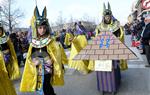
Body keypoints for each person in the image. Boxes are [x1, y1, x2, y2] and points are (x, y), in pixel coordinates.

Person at [20, 6, 68, 95]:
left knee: (45, 84)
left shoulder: (51, 40)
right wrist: (34, 60)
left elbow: (56, 53)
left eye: (44, 28)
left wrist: (52, 60)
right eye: (40, 28)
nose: (42, 30)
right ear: (36, 28)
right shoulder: (33, 41)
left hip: (48, 66)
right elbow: (32, 53)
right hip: (38, 67)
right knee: (42, 86)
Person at [95, 2, 127, 94]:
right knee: (102, 70)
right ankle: (103, 87)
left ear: (111, 16)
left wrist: (116, 40)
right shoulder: (99, 26)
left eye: (108, 16)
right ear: (103, 17)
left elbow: (120, 36)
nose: (107, 18)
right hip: (103, 52)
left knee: (113, 70)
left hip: (113, 51)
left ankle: (113, 87)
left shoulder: (116, 25)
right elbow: (97, 38)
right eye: (106, 17)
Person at [0, 22, 20, 95]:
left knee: (6, 76)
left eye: (0, 30)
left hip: (6, 58)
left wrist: (8, 56)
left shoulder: (6, 39)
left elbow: (11, 49)